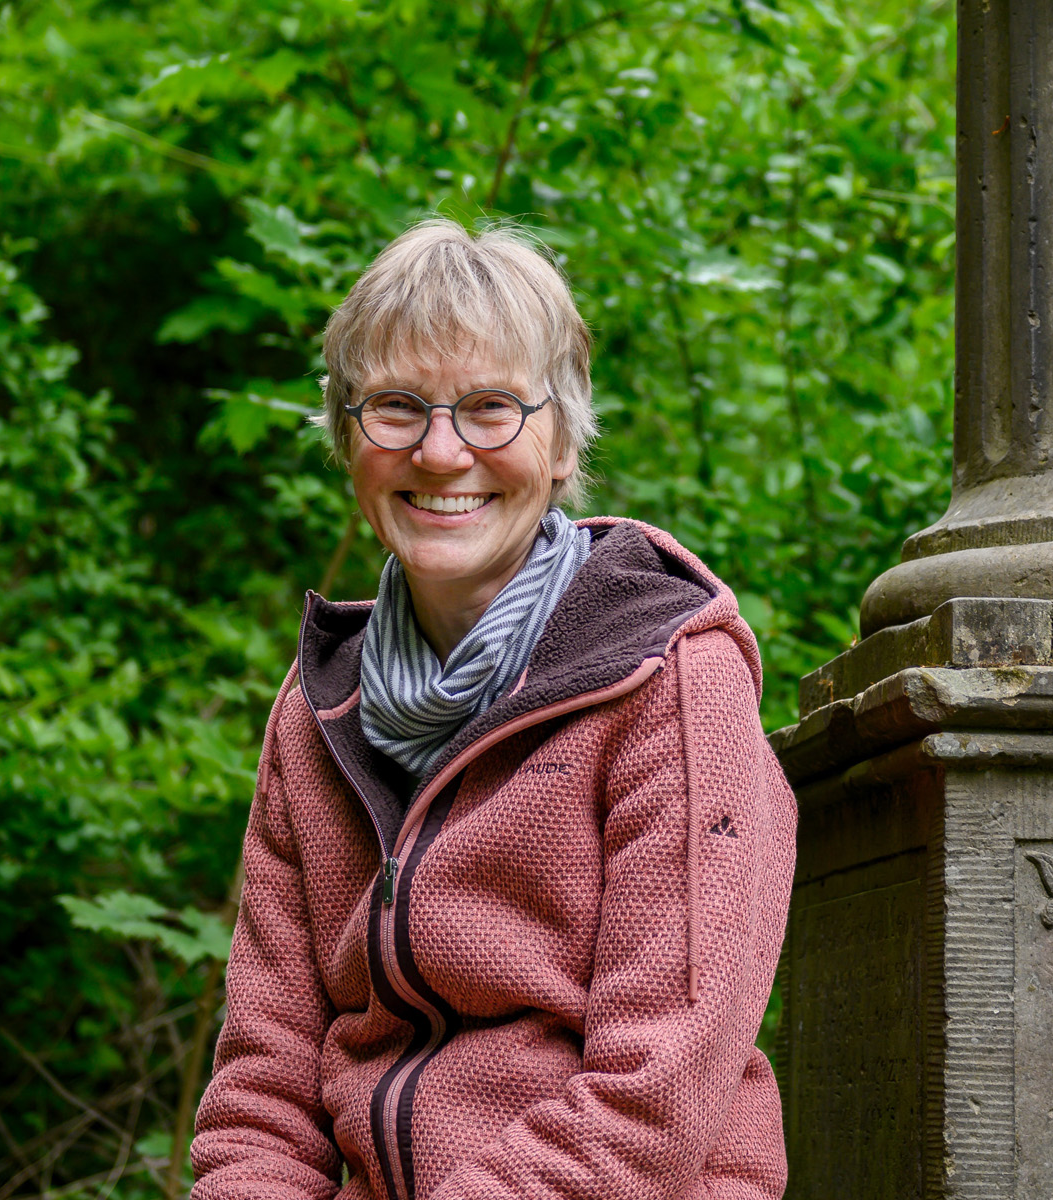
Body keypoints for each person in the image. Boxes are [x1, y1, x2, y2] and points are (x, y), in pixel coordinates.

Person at [190, 219, 797, 1200]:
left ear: (561, 440)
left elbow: (651, 1097)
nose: (440, 452)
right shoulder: (315, 715)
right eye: (396, 407)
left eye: (490, 408)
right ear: (348, 438)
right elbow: (264, 1090)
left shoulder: (669, 678)